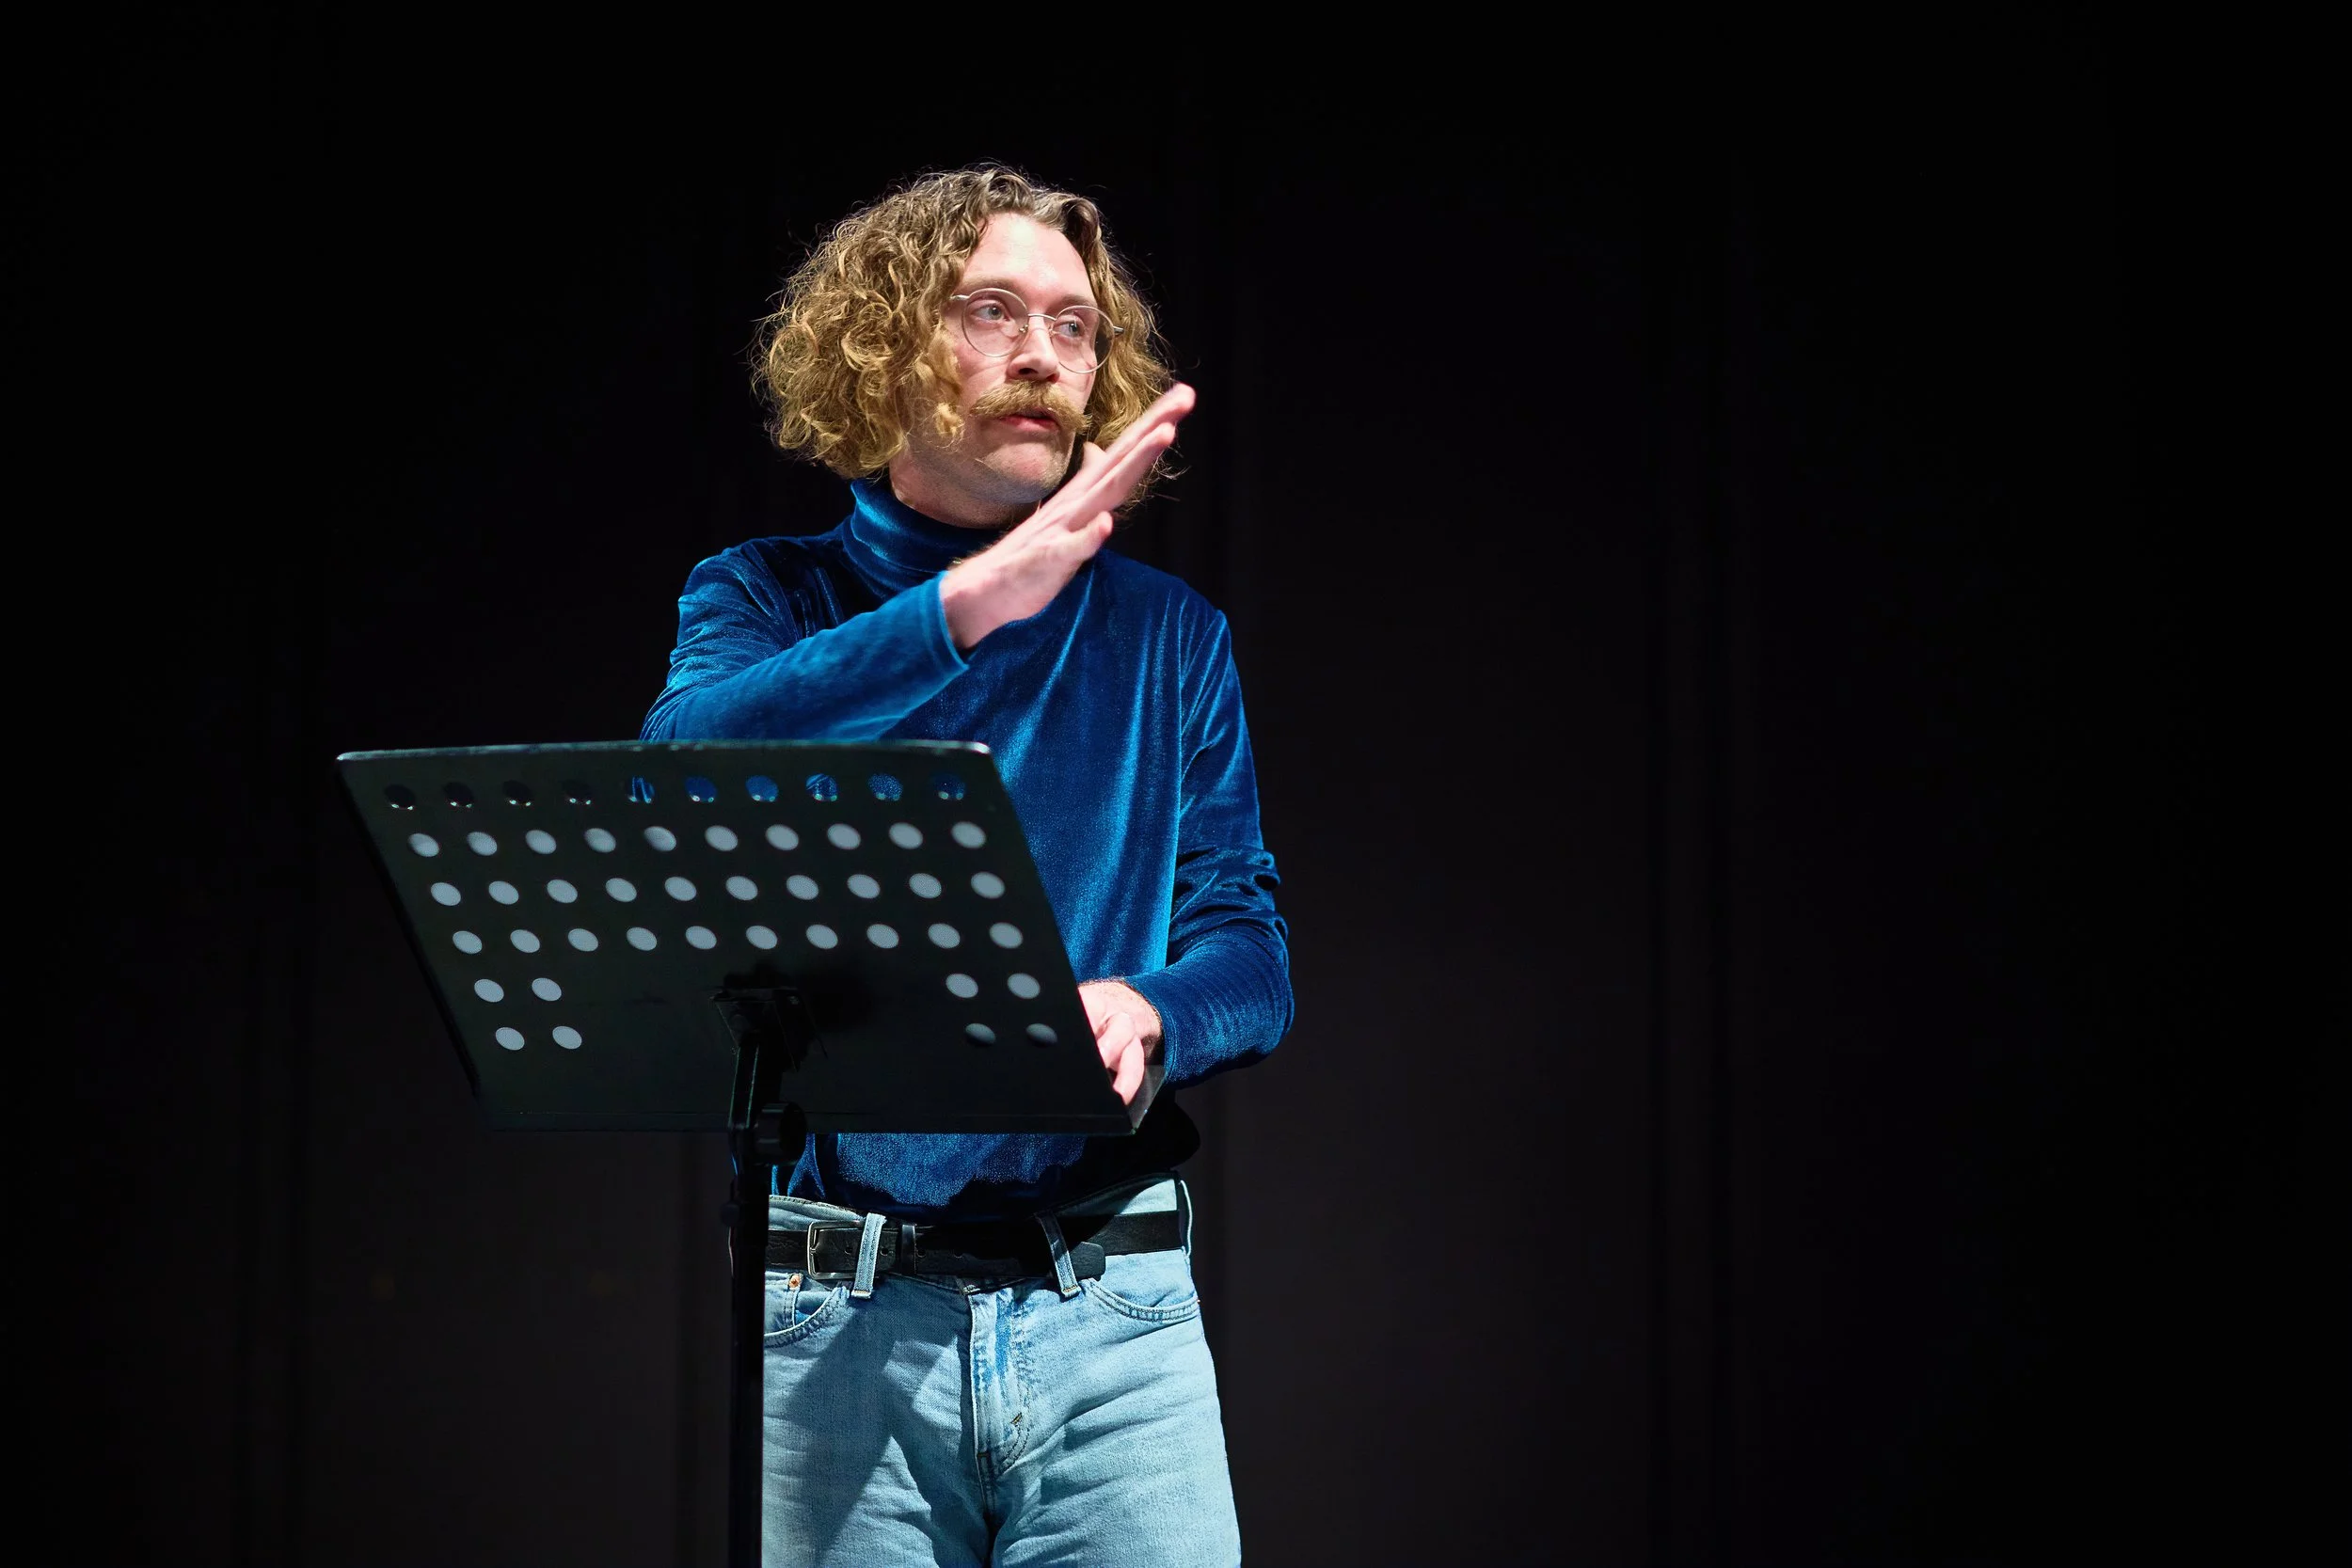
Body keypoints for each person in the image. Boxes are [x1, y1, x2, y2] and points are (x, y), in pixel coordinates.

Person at [642, 166, 1291, 1566]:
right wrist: (964, 609)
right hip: (838, 1323)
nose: (1042, 355)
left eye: (1073, 324)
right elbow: (684, 762)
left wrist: (1158, 1005)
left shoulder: (1171, 636)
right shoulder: (760, 594)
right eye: (990, 310)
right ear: (883, 345)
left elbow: (1250, 942)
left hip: (1114, 1318)